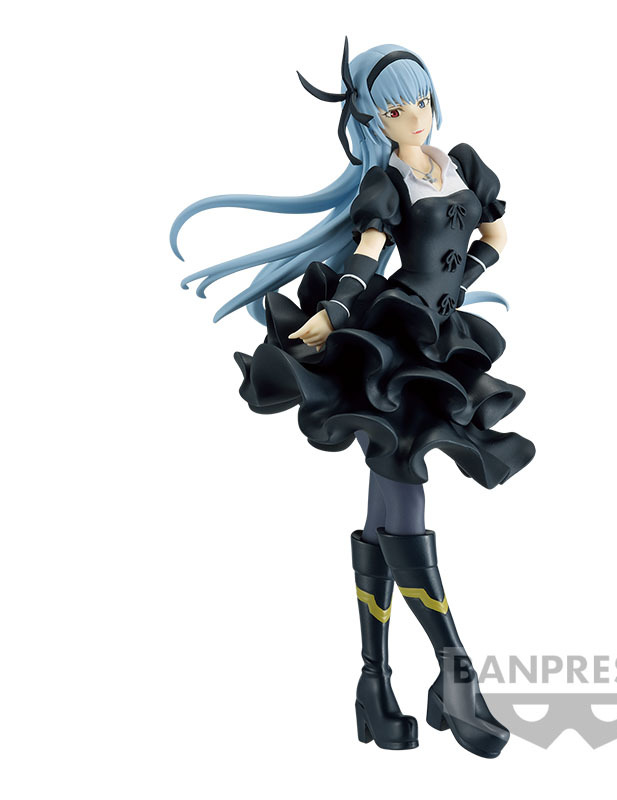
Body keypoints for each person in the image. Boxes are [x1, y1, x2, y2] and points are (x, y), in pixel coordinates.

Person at [171, 39, 535, 759]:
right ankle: (455, 673)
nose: (415, 116)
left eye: (422, 100)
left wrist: (461, 280)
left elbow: (495, 232)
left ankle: (375, 686)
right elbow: (368, 255)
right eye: (396, 110)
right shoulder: (387, 184)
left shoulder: (464, 164)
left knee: (387, 515)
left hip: (443, 342)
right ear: (373, 118)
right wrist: (336, 313)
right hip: (391, 347)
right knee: (405, 497)